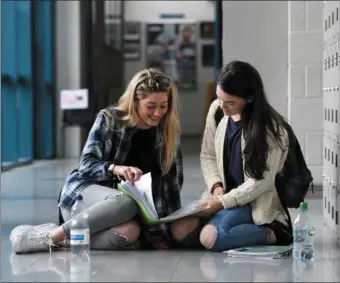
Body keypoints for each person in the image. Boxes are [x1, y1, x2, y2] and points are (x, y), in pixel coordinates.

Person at [10, 68, 195, 254]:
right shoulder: (109, 119)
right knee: (126, 202)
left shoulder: (169, 132)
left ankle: (64, 239)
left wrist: (161, 231)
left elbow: (172, 187)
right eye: (151, 106)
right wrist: (115, 168)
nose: (157, 113)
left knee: (130, 233)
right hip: (86, 200)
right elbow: (86, 165)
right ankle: (49, 238)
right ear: (135, 102)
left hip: (123, 214)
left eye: (163, 106)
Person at [171, 60, 293, 252]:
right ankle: (224, 228)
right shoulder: (217, 111)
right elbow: (208, 155)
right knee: (178, 230)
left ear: (250, 98)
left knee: (211, 238)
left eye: (230, 103)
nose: (222, 106)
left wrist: (222, 202)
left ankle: (275, 232)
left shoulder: (271, 130)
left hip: (249, 201)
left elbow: (260, 182)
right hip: (221, 195)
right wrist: (216, 186)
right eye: (219, 98)